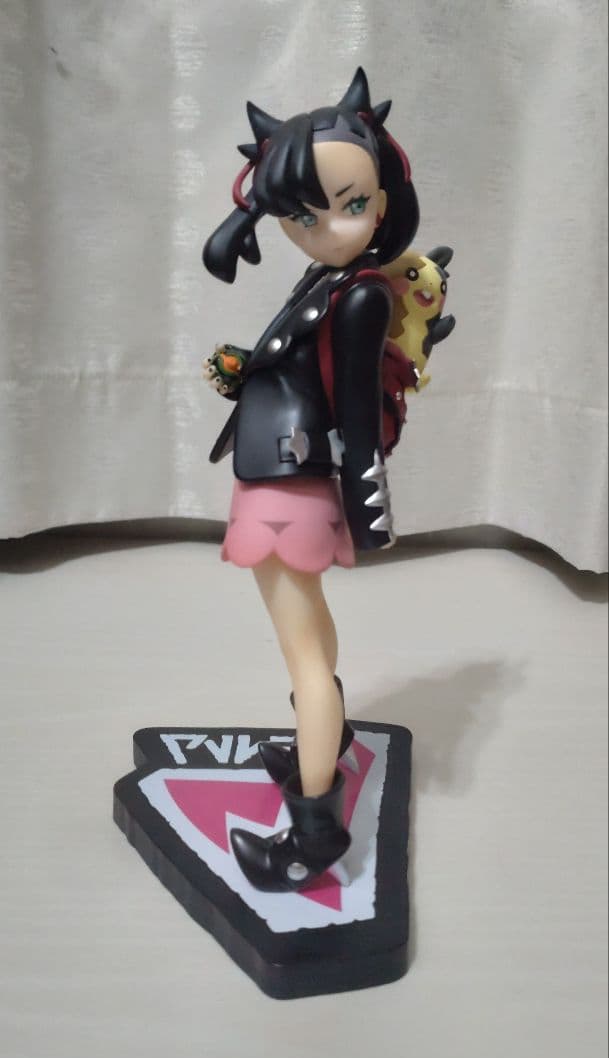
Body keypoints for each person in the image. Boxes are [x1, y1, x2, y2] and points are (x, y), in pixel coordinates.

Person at [202, 67, 419, 892]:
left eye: (349, 205)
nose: (326, 228)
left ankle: (312, 835)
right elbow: (308, 370)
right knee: (310, 638)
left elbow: (356, 413)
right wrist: (252, 371)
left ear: (382, 199)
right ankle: (320, 747)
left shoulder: (359, 296)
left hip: (289, 490)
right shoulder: (331, 283)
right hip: (280, 473)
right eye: (302, 214)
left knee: (300, 655)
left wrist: (369, 513)